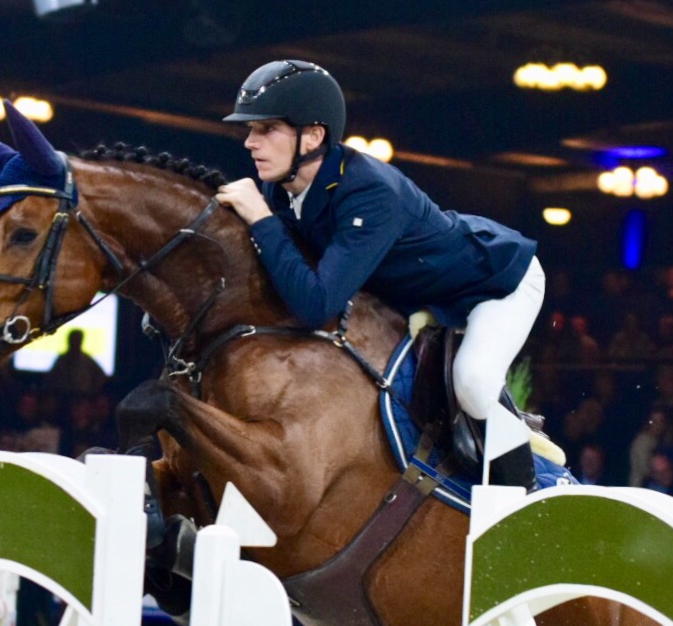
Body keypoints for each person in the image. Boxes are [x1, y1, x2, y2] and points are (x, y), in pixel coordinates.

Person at [215, 60, 543, 490]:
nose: (251, 143)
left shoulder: (370, 192)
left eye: (266, 130)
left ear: (313, 136)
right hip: (419, 294)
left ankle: (528, 498)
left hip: (494, 282)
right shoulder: (284, 185)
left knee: (475, 382)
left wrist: (260, 219)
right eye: (251, 131)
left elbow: (315, 305)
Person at [44, 330, 109, 400]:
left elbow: (100, 375)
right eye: (74, 340)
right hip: (64, 396)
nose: (75, 343)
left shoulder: (87, 360)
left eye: (77, 340)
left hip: (83, 397)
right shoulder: (62, 360)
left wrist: (93, 391)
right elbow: (52, 378)